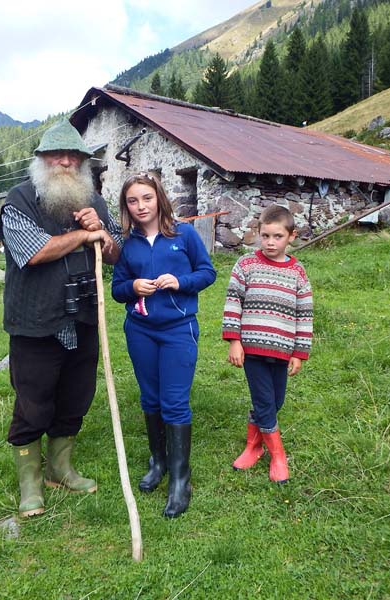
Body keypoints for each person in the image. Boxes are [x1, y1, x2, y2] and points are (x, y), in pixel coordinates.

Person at [0, 118, 122, 518]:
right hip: (36, 320)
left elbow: (117, 252)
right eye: (57, 155)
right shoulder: (18, 201)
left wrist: (101, 230)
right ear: (42, 159)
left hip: (84, 315)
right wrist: (82, 238)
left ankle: (60, 469)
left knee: (75, 396)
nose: (66, 162)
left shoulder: (94, 200)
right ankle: (30, 484)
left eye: (74, 156)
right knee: (33, 401)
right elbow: (34, 253)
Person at [111, 172, 216, 518]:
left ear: (159, 199)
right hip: (140, 331)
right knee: (150, 399)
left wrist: (180, 281)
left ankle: (180, 479)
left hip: (178, 330)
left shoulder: (183, 234)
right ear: (126, 206)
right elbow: (117, 289)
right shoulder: (129, 243)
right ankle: (158, 462)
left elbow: (207, 273)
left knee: (174, 401)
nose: (141, 206)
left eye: (146, 198)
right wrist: (133, 287)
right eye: (132, 201)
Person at [222, 205, 313, 484]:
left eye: (277, 236)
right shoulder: (246, 265)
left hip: (283, 350)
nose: (270, 243)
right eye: (265, 236)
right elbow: (233, 302)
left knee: (275, 402)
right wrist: (234, 340)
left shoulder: (297, 271)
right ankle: (277, 456)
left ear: (291, 236)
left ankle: (255, 444)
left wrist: (299, 352)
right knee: (264, 400)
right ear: (258, 234)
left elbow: (305, 312)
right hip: (253, 350)